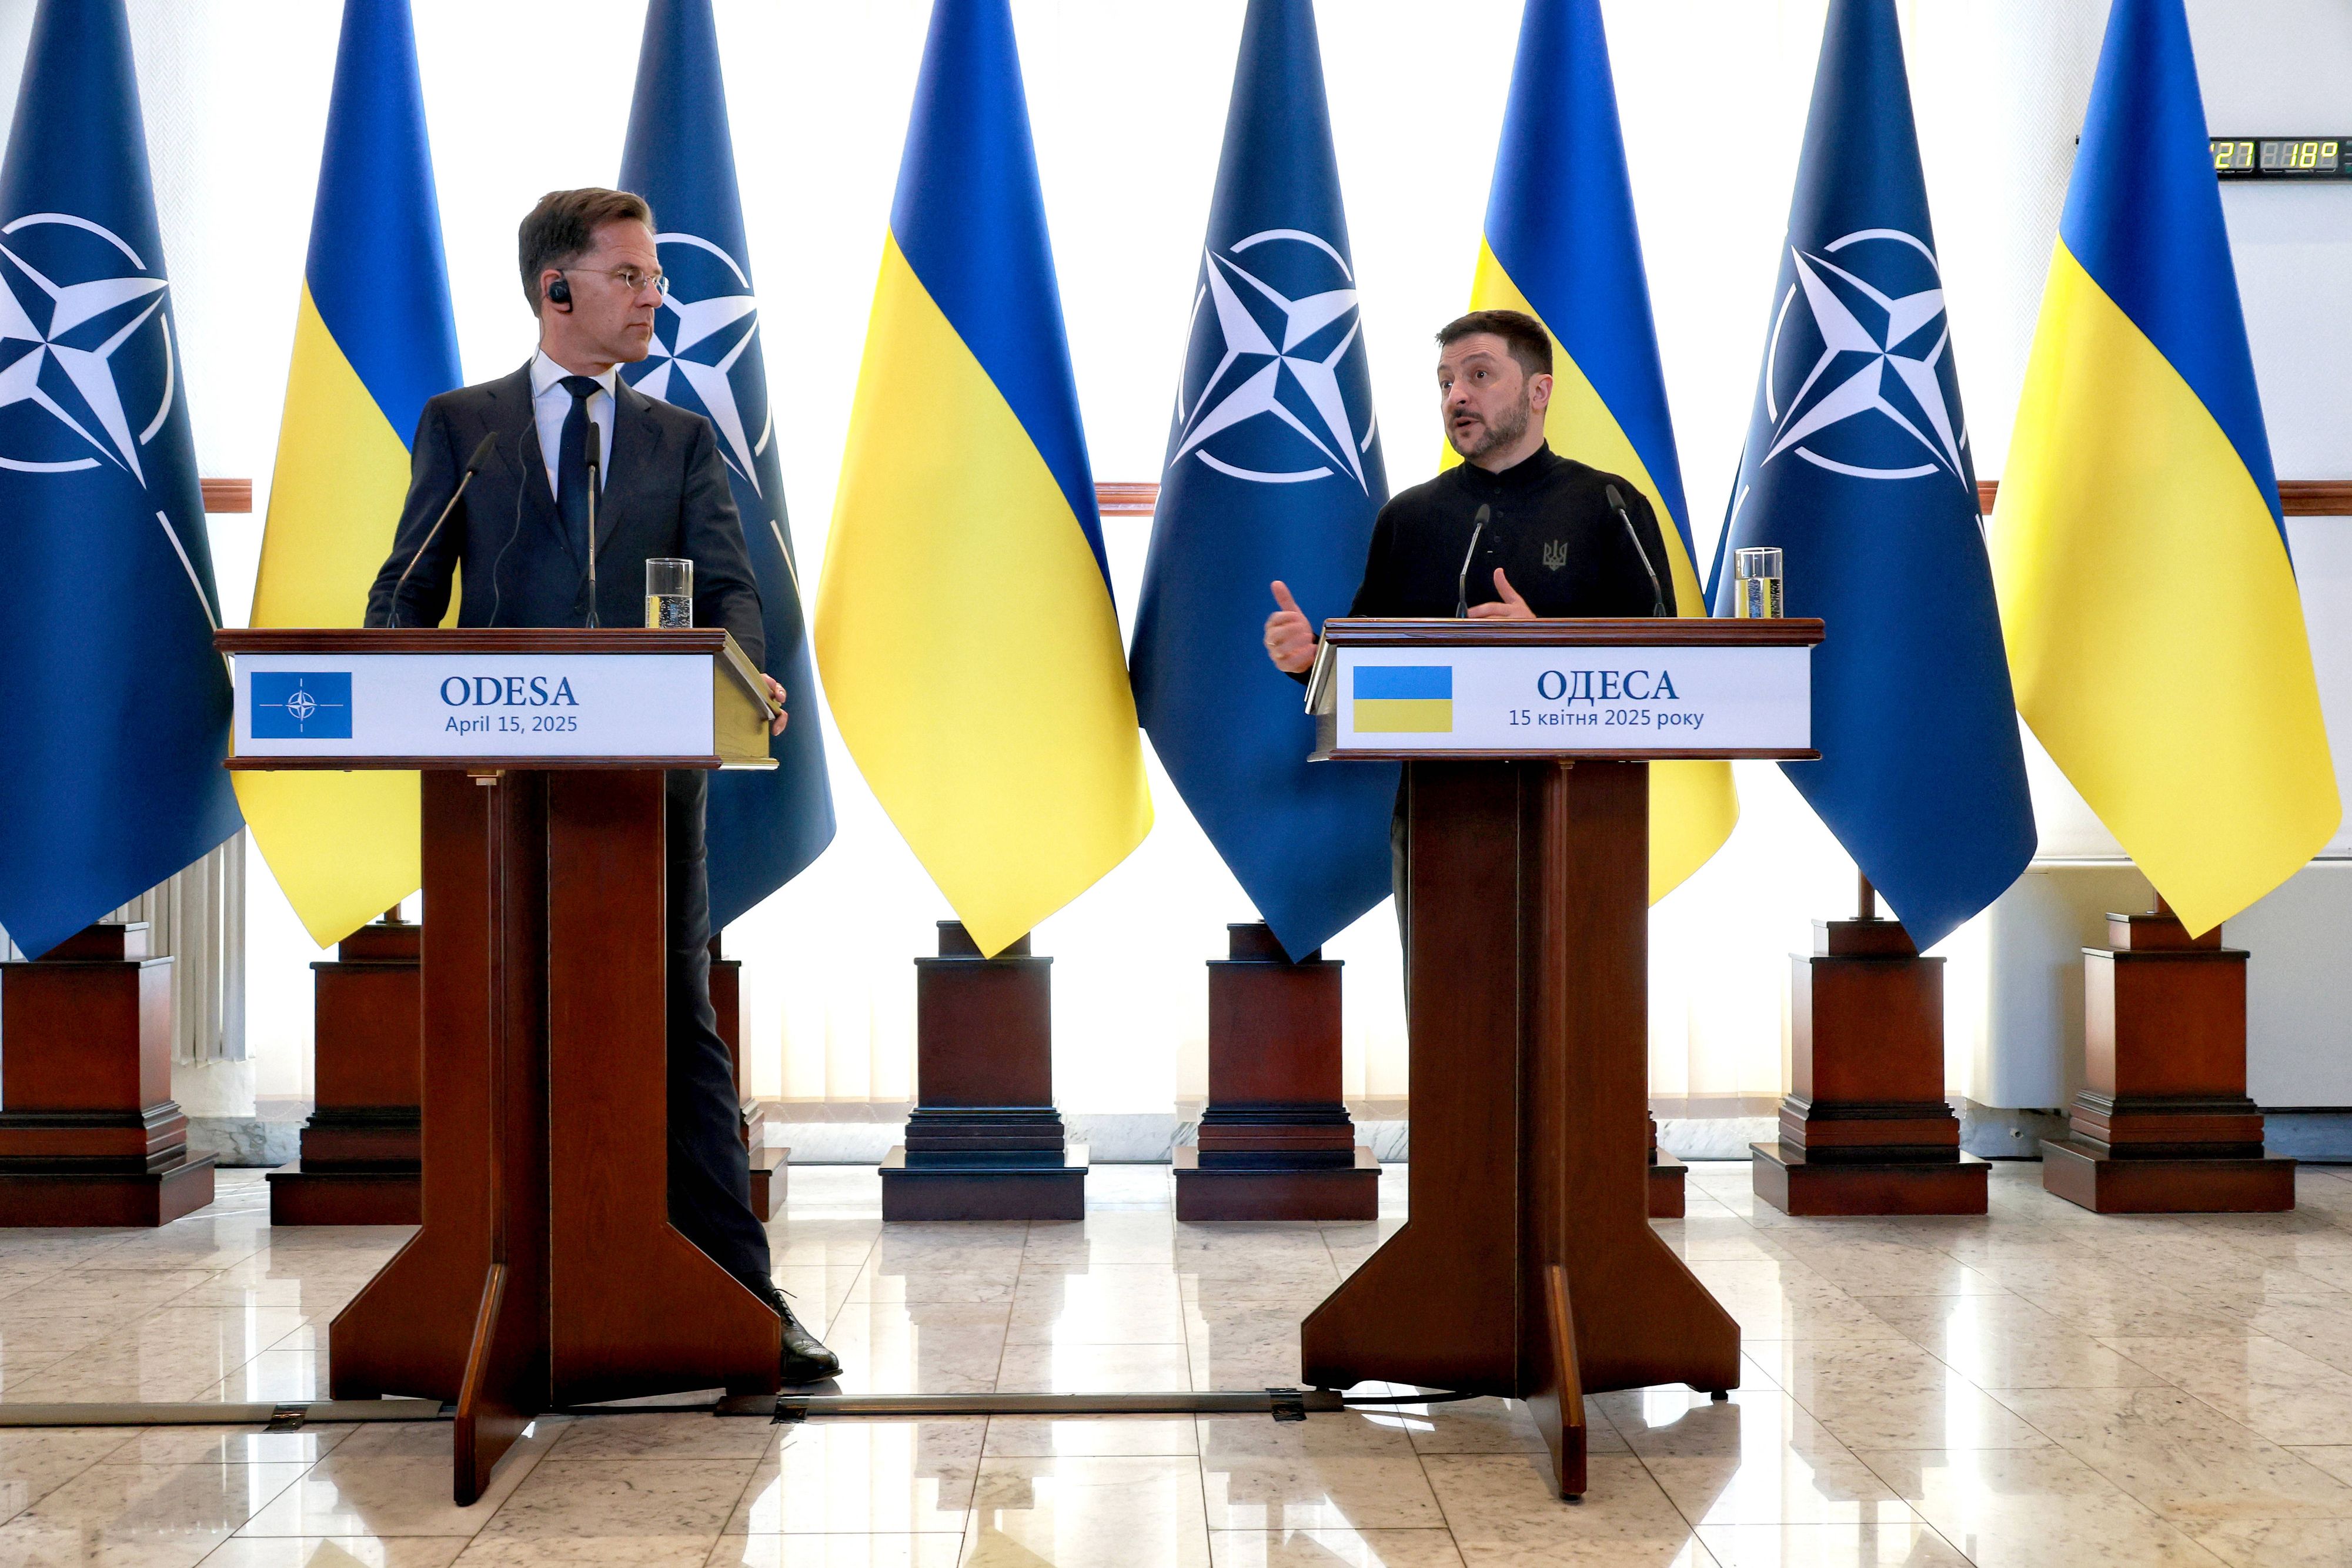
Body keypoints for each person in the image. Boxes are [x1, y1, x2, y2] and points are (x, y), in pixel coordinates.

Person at [363, 188, 838, 1385]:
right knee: (495, 1024)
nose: (652, 297)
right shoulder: (464, 425)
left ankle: (745, 1294)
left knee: (676, 1028)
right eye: (630, 275)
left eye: (655, 277)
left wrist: (745, 673)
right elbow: (409, 586)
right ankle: (487, 1286)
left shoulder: (680, 439)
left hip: (647, 790)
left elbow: (733, 592)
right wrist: (382, 671)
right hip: (498, 794)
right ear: (556, 289)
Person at [1259, 308, 1680, 949]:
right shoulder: (1409, 519)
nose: (1456, 395)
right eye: (1445, 382)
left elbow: (1664, 669)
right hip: (1441, 817)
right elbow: (1366, 684)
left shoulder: (1609, 505)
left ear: (1539, 392)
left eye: (1479, 375)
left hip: (1585, 812)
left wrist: (1545, 641)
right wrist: (1310, 662)